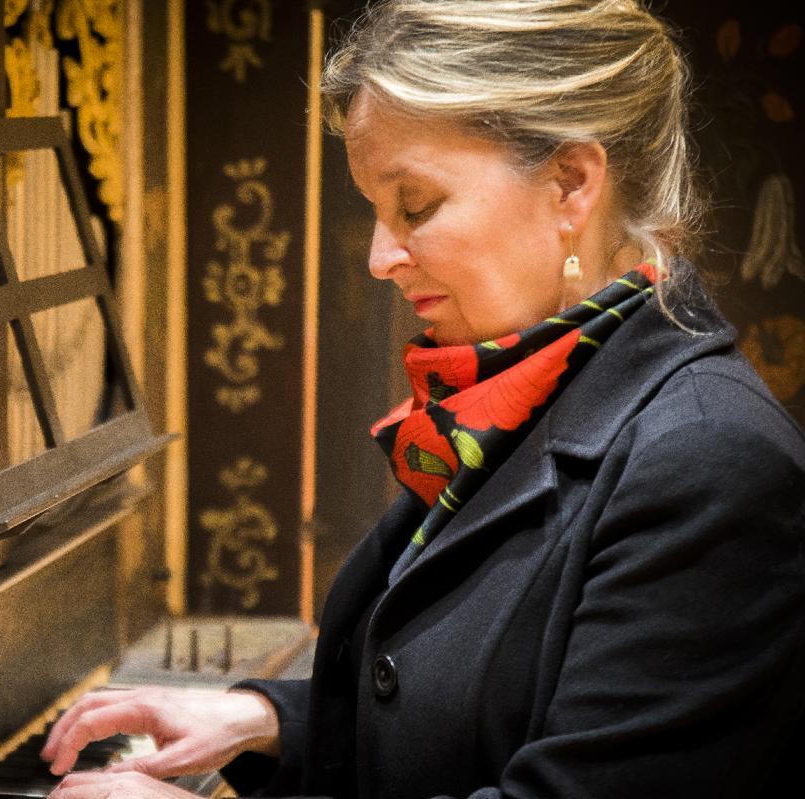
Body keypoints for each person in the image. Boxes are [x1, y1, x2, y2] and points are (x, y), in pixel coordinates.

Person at [40, 1, 805, 797]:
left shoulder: (710, 459)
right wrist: (270, 721)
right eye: (375, 212)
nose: (378, 257)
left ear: (571, 184)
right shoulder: (530, 382)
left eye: (414, 207)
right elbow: (473, 718)